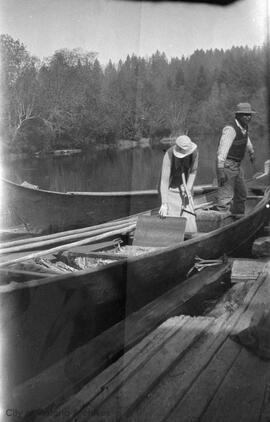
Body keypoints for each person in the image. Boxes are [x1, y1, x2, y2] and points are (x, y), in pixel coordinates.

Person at [216, 102, 256, 216]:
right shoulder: (230, 129)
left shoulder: (244, 127)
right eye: (245, 115)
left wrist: (251, 152)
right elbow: (222, 151)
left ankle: (238, 217)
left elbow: (246, 140)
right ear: (238, 115)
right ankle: (222, 222)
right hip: (226, 165)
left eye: (249, 115)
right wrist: (220, 170)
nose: (248, 117)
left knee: (242, 194)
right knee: (225, 198)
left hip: (237, 166)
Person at [159, 135, 198, 232]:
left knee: (188, 218)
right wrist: (164, 203)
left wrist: (188, 190)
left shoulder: (194, 153)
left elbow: (193, 171)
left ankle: (189, 237)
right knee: (171, 222)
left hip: (185, 187)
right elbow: (164, 181)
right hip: (170, 188)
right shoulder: (169, 155)